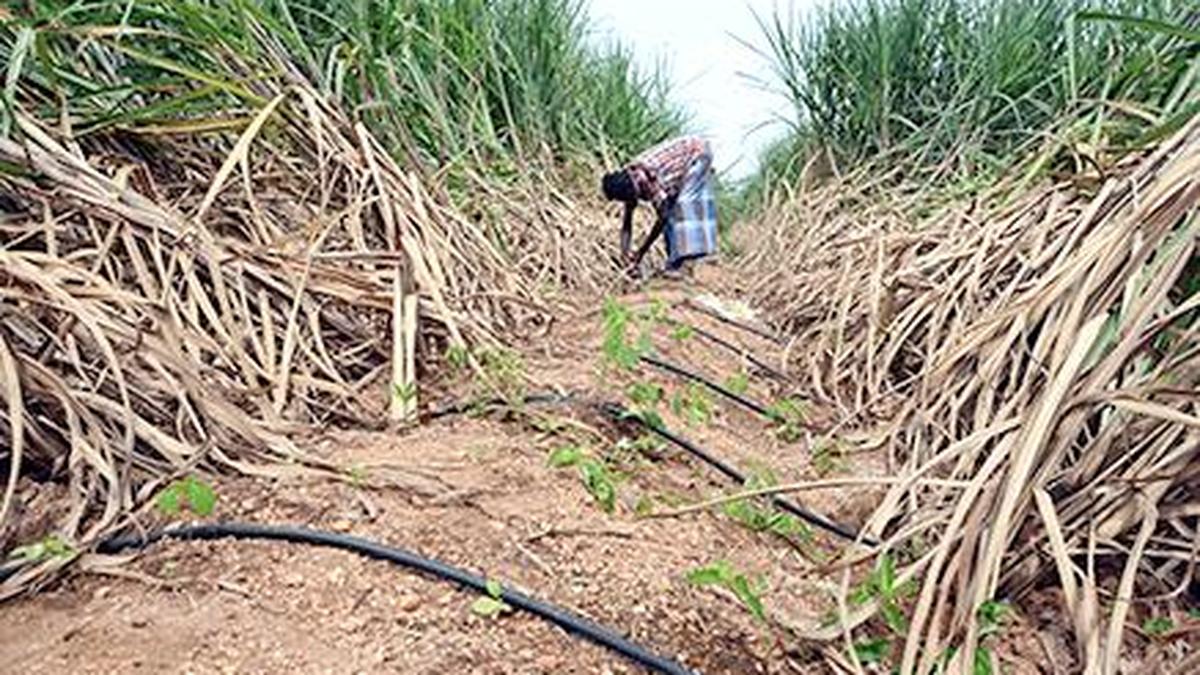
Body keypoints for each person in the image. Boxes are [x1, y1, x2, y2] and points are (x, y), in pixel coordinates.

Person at [601, 135, 718, 278]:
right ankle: (674, 264)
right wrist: (625, 255)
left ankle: (686, 264)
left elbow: (663, 217)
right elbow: (627, 224)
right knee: (671, 211)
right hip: (678, 168)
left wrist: (640, 253)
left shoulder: (646, 178)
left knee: (684, 206)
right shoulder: (628, 182)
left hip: (697, 153)